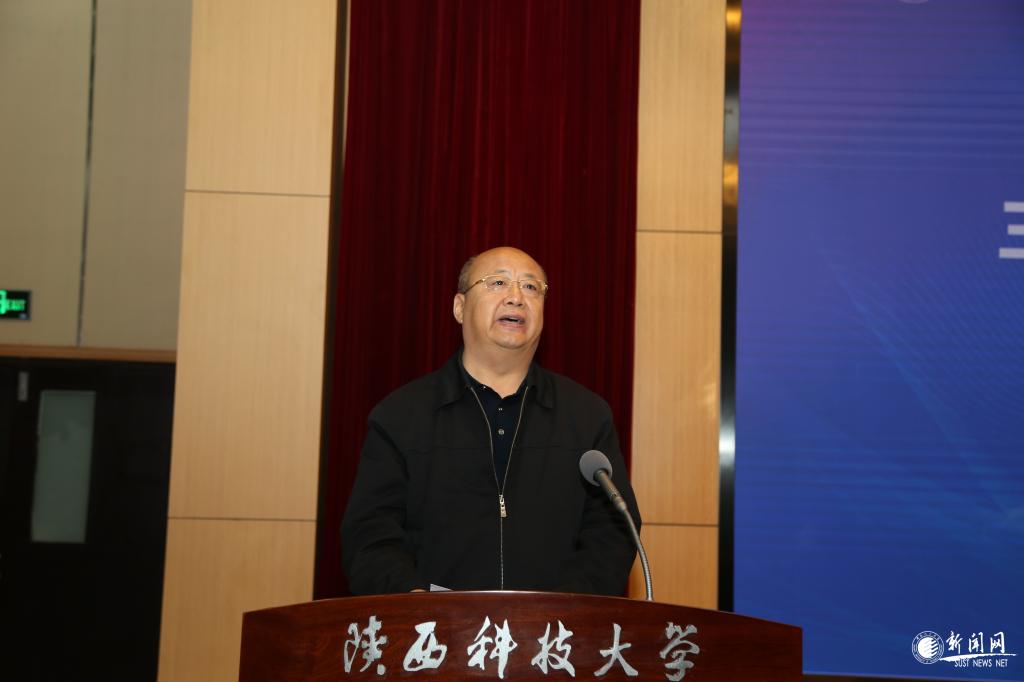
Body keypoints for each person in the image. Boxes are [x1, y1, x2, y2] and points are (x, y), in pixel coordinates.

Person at [341, 246, 641, 595]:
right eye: (497, 282)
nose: (516, 297)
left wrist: (567, 608)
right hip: (432, 625)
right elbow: (370, 533)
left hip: (556, 627)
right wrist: (415, 603)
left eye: (531, 287)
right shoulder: (401, 415)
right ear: (459, 307)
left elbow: (613, 532)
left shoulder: (586, 416)